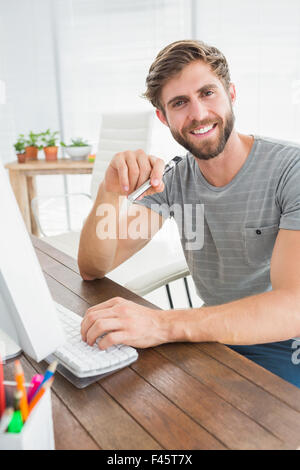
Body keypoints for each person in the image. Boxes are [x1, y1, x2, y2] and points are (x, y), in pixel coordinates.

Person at [78, 40, 300, 387]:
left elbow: (294, 308)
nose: (198, 114)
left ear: (231, 92)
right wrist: (110, 189)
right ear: (163, 117)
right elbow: (94, 266)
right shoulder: (174, 180)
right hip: (214, 339)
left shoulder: (292, 170)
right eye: (180, 103)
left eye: (207, 93)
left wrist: (162, 324)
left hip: (285, 344)